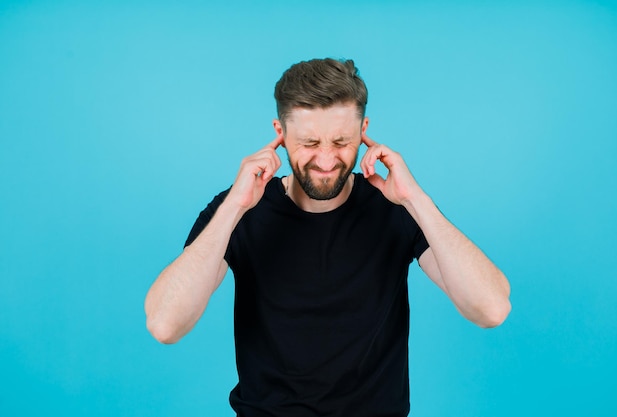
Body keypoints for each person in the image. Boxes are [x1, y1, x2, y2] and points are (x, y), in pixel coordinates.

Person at [145, 58, 511, 417]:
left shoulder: (395, 207)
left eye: (341, 141)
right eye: (308, 142)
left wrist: (416, 199)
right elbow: (165, 325)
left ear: (364, 131)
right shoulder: (239, 209)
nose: (325, 159)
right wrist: (234, 208)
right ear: (280, 135)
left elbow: (491, 309)